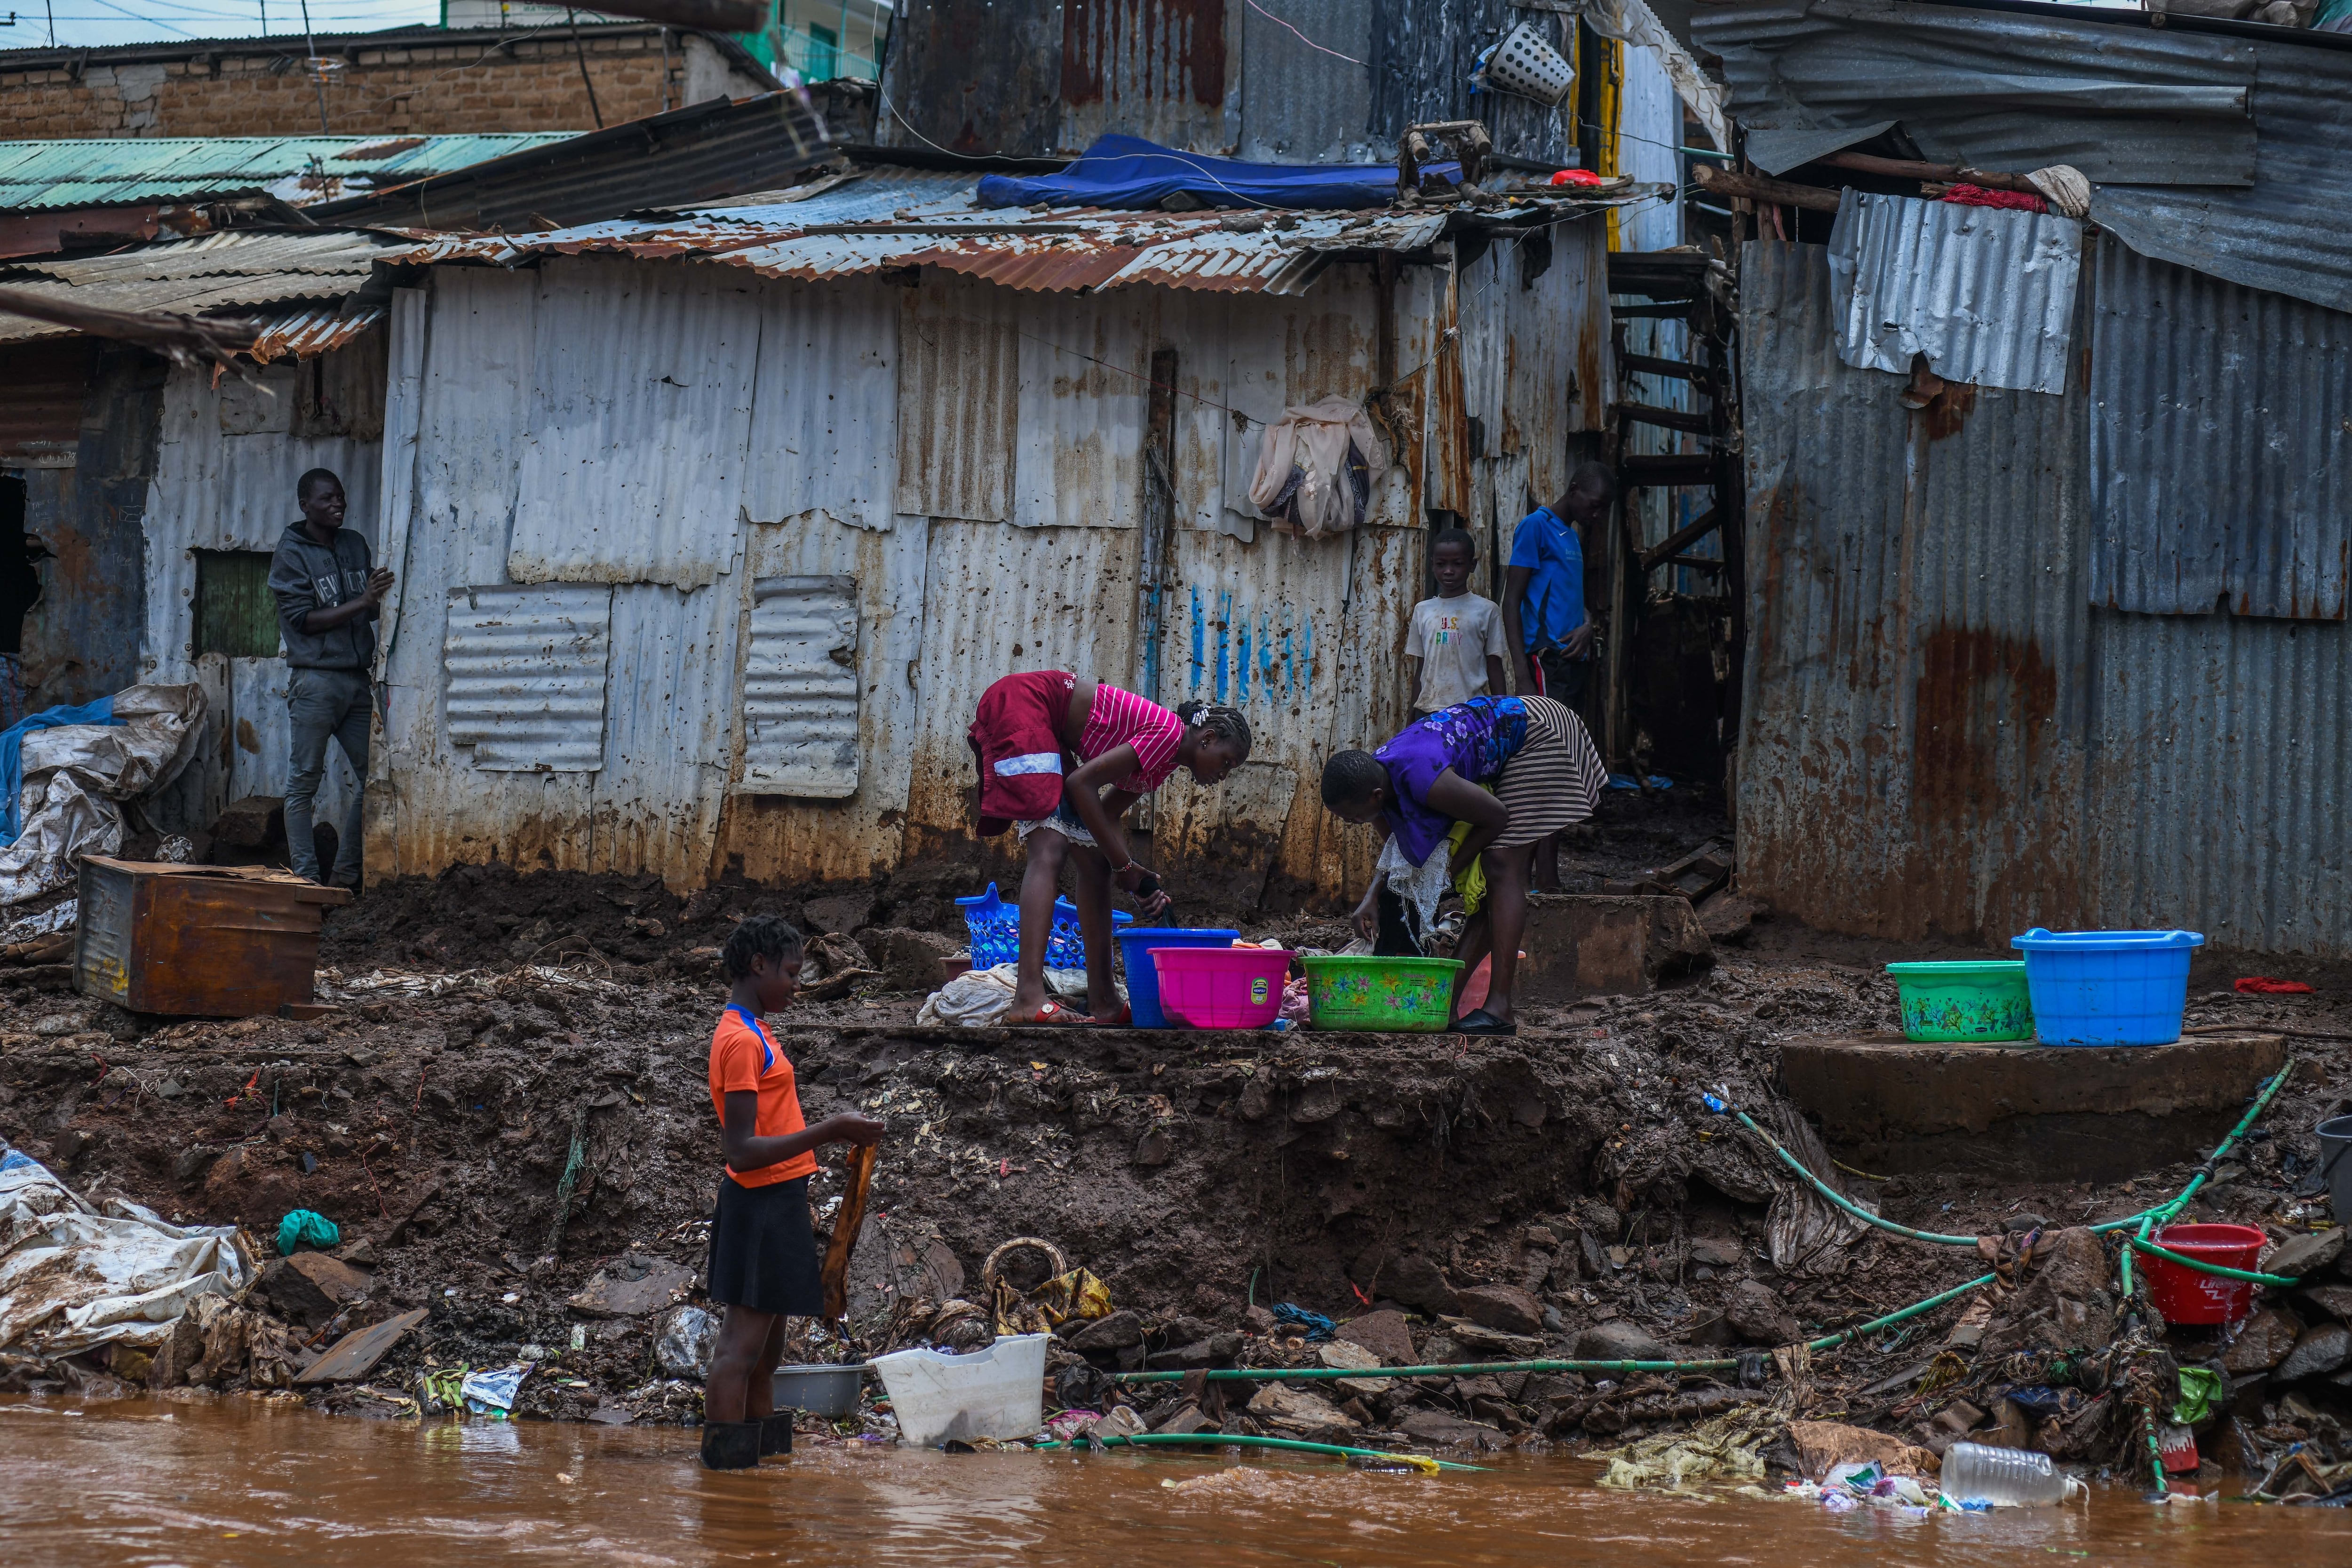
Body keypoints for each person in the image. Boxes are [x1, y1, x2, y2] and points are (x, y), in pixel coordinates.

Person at [701, 914, 884, 1470]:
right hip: (757, 1205)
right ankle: (728, 1483)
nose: (796, 985)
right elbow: (741, 1149)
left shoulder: (756, 1032)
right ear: (758, 967)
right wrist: (829, 1131)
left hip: (778, 1200)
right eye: (790, 972)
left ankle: (760, 1474)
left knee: (767, 1355)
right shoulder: (738, 1042)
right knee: (739, 1350)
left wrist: (810, 1157)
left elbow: (767, 1134)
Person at [968, 673, 1252, 1025]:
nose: (1223, 775)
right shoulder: (1168, 734)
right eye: (1226, 762)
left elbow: (1106, 814)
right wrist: (1125, 867)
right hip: (1026, 705)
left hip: (1049, 727)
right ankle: (1027, 997)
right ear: (1208, 738)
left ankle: (1103, 1000)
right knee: (1050, 847)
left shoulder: (1163, 764)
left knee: (1095, 864)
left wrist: (1128, 869)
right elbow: (1081, 782)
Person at [1320, 694, 1605, 1035]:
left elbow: (1496, 817)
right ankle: (1446, 1001)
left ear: (1376, 796)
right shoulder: (1379, 776)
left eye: (1352, 817)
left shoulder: (1425, 779)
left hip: (1538, 732)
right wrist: (1372, 896)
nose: (1354, 822)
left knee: (1501, 865)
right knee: (1488, 897)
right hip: (1514, 733)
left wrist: (1451, 870)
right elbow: (1398, 850)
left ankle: (1500, 1007)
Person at [267, 469, 391, 889]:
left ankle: (343, 877)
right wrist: (363, 602)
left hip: (357, 681)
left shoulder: (354, 544)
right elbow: (303, 620)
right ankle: (306, 884)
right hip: (315, 682)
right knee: (303, 784)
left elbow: (373, 606)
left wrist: (371, 601)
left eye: (340, 497)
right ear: (305, 505)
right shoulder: (291, 553)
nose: (337, 504)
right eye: (326, 499)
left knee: (374, 777)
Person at [1501, 462, 1613, 889]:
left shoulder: (1571, 537)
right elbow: (1511, 601)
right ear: (1574, 490)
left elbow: (1570, 599)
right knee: (1547, 766)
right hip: (1544, 662)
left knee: (1562, 767)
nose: (1597, 515)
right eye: (1596, 505)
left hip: (1571, 664)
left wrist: (1588, 624)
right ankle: (1540, 878)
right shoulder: (1537, 527)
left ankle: (1548, 877)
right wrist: (1523, 676)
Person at [1405, 528, 1510, 723]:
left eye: (1458, 564)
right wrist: (1412, 712)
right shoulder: (1423, 610)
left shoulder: (1487, 610)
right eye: (1441, 564)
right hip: (1429, 709)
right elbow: (1422, 668)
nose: (1449, 571)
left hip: (1471, 711)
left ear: (1472, 565)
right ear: (1432, 565)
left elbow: (1495, 666)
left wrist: (1502, 712)